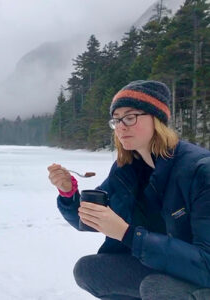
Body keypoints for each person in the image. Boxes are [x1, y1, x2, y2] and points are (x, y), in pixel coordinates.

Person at [47, 80, 210, 300]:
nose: (121, 126)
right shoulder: (126, 170)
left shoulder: (199, 171)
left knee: (156, 288)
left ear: (157, 119)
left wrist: (129, 234)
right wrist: (68, 194)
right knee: (89, 271)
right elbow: (87, 219)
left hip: (199, 277)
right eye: (116, 120)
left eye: (130, 117)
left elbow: (206, 264)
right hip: (163, 268)